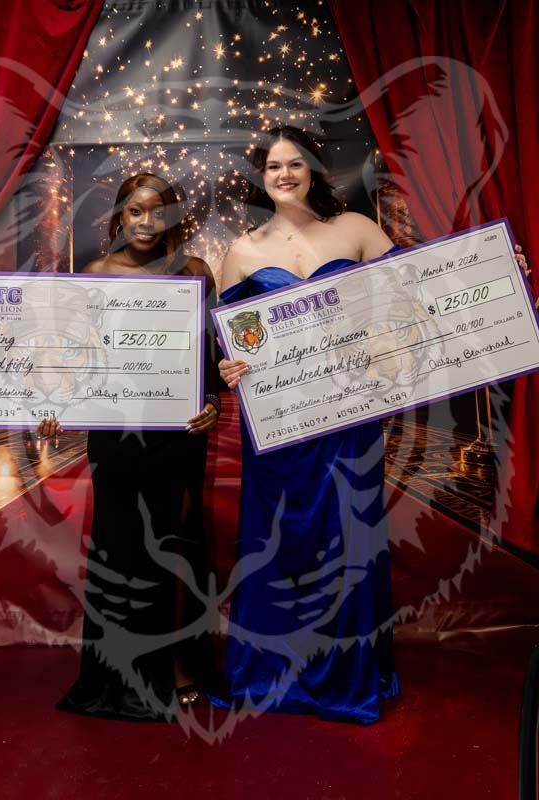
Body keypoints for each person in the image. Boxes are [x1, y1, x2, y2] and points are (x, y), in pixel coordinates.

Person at [215, 125, 530, 724]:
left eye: (295, 164)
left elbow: (417, 292)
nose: (284, 175)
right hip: (279, 429)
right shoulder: (242, 250)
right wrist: (228, 364)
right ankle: (272, 674)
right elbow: (233, 339)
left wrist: (492, 276)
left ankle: (347, 677)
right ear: (262, 176)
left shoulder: (355, 229)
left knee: (347, 541)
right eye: (273, 166)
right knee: (278, 545)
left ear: (313, 168)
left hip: (347, 418)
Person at [39, 173, 220, 721]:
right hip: (116, 436)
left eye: (157, 211)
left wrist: (211, 400)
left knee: (176, 550)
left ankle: (178, 667)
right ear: (119, 217)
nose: (146, 222)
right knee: (119, 551)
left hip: (178, 436)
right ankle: (114, 677)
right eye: (135, 212)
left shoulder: (194, 273)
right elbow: (72, 358)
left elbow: (210, 361)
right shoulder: (94, 274)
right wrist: (53, 406)